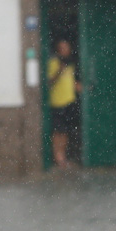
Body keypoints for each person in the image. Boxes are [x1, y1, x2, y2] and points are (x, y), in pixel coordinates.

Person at [47, 39, 80, 169]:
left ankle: (63, 157)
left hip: (69, 101)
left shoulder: (70, 64)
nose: (65, 50)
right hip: (57, 101)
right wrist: (59, 70)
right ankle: (57, 157)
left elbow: (70, 81)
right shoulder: (53, 63)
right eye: (62, 48)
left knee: (65, 131)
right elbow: (49, 82)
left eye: (66, 47)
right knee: (58, 131)